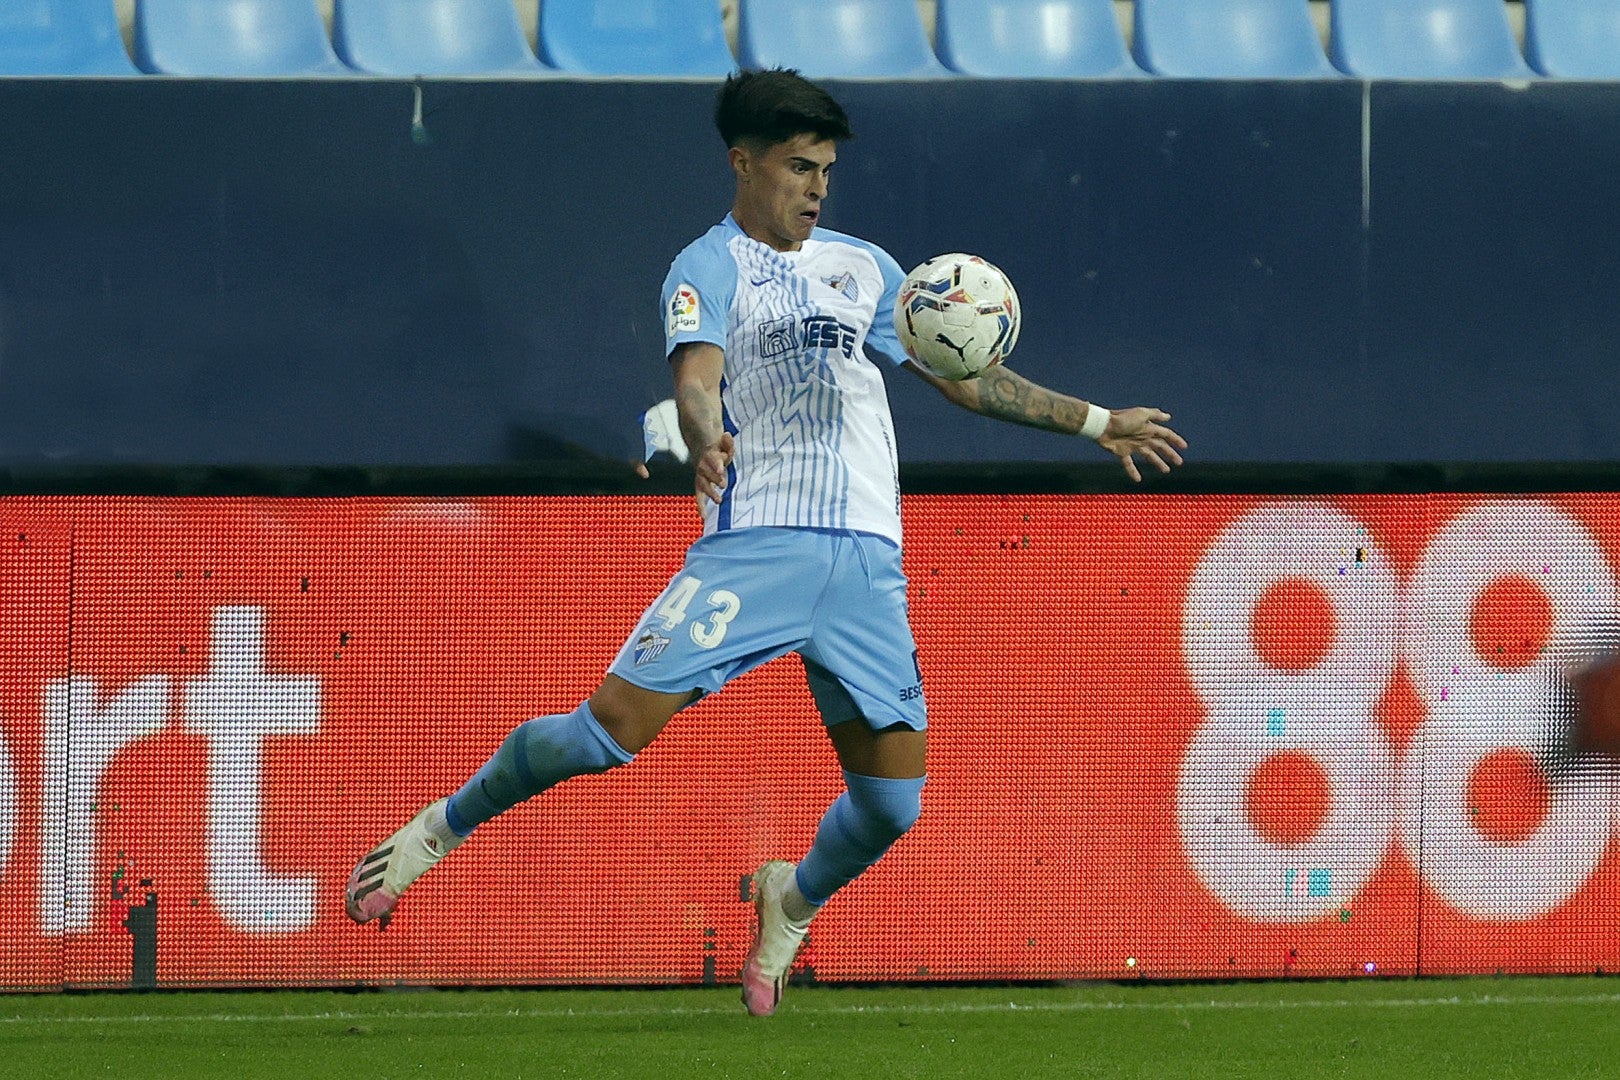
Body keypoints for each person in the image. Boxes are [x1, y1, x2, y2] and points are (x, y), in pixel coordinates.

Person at [345, 68, 1187, 1017]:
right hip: (758, 549)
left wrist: (1098, 420)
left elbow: (965, 376)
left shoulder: (866, 267)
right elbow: (698, 381)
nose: (816, 187)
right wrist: (705, 438)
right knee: (607, 735)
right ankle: (437, 831)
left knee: (894, 807)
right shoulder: (707, 266)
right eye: (798, 167)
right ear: (744, 164)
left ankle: (791, 897)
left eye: (825, 169)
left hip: (867, 560)